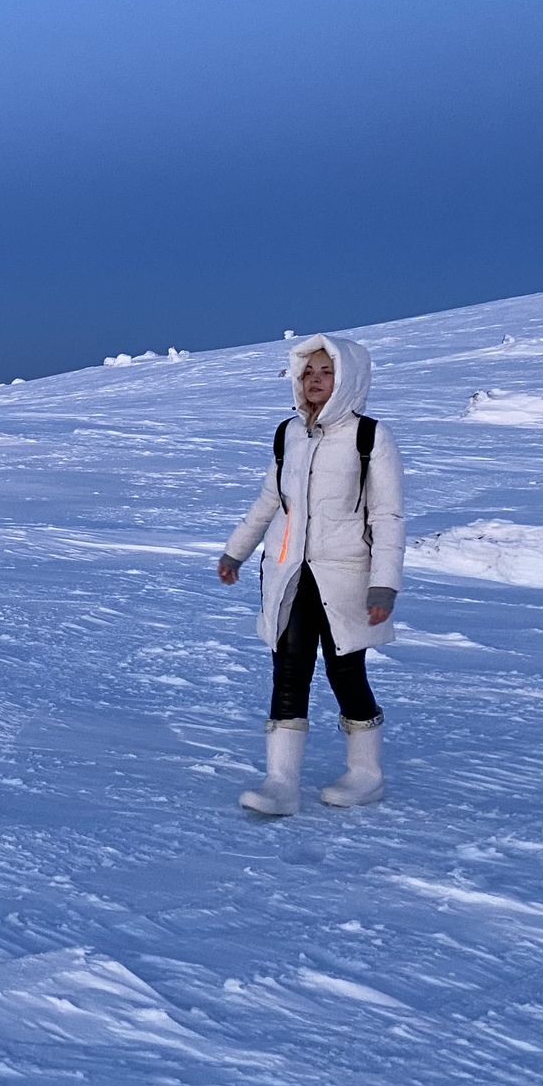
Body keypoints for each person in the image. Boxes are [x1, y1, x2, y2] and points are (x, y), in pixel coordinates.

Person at [218, 335, 405, 815]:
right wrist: (235, 552)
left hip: (345, 577)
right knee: (288, 671)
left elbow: (387, 517)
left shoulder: (370, 437)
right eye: (308, 372)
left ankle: (366, 775)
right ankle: (280, 783)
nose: (315, 380)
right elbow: (269, 500)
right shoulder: (288, 434)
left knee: (346, 673)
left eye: (326, 371)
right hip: (288, 573)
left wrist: (384, 583)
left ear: (348, 378)